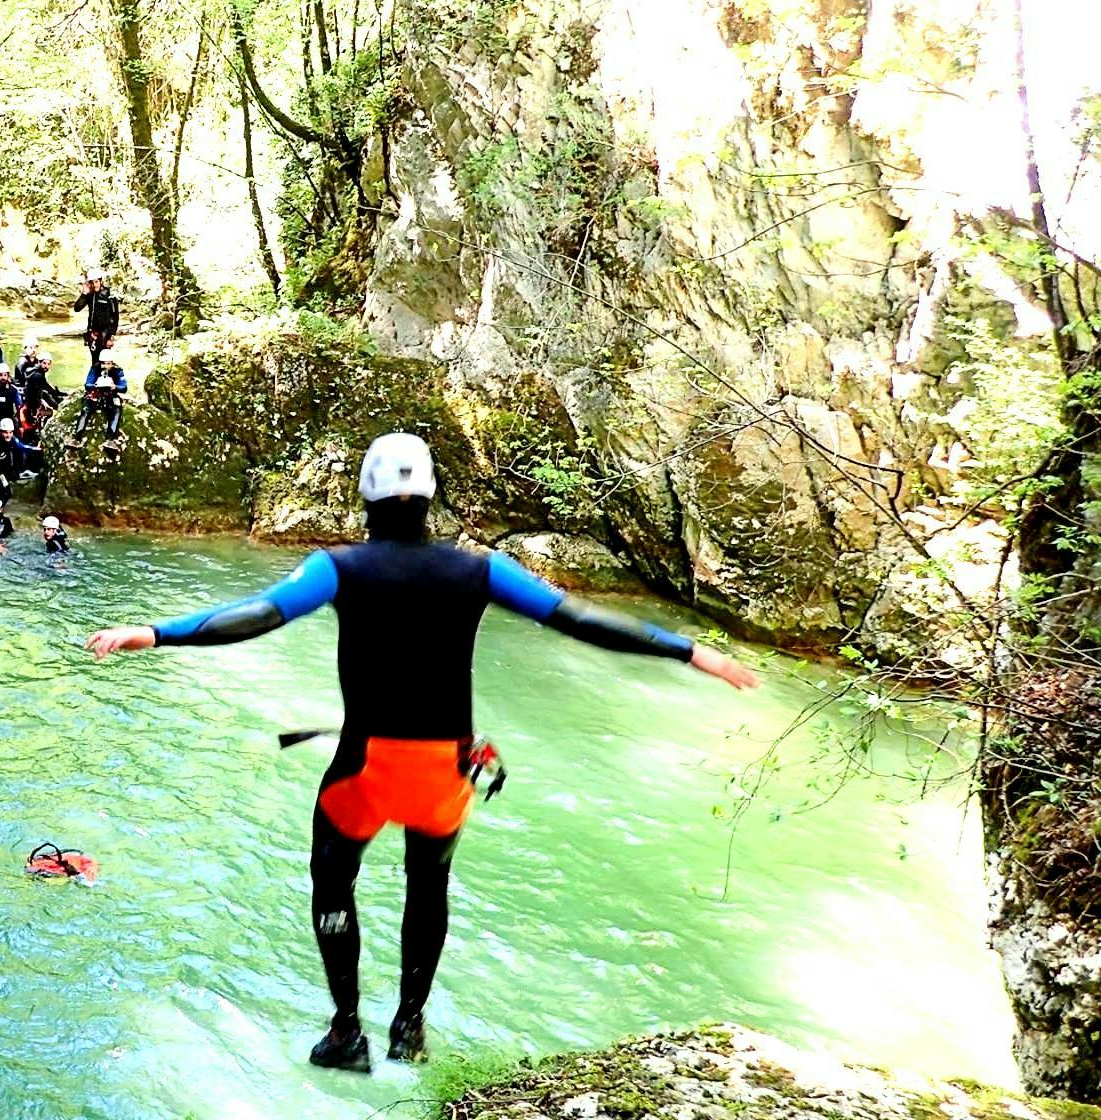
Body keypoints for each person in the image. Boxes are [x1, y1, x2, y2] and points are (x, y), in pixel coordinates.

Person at [83, 433, 759, 1073]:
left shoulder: (337, 568)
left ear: (364, 495)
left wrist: (157, 633)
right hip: (446, 773)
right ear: (432, 494)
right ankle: (411, 1025)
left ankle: (346, 1031)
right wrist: (688, 649)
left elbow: (261, 613)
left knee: (332, 882)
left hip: (366, 769)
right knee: (427, 887)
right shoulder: (481, 570)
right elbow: (579, 619)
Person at [70, 268, 119, 370]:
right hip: (93, 335)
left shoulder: (110, 296)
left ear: (101, 281)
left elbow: (115, 317)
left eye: (96, 281)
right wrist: (84, 294)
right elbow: (77, 308)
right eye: (92, 282)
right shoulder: (89, 295)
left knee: (106, 361)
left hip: (106, 334)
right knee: (95, 362)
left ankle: (107, 383)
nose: (95, 284)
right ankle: (94, 383)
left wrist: (112, 336)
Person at [73, 354, 127, 444]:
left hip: (111, 396)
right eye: (103, 364)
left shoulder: (118, 371)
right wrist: (95, 386)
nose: (105, 366)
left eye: (108, 364)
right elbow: (87, 384)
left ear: (112, 364)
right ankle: (77, 437)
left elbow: (124, 387)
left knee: (116, 409)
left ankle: (110, 439)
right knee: (86, 409)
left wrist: (115, 387)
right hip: (95, 395)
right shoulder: (95, 368)